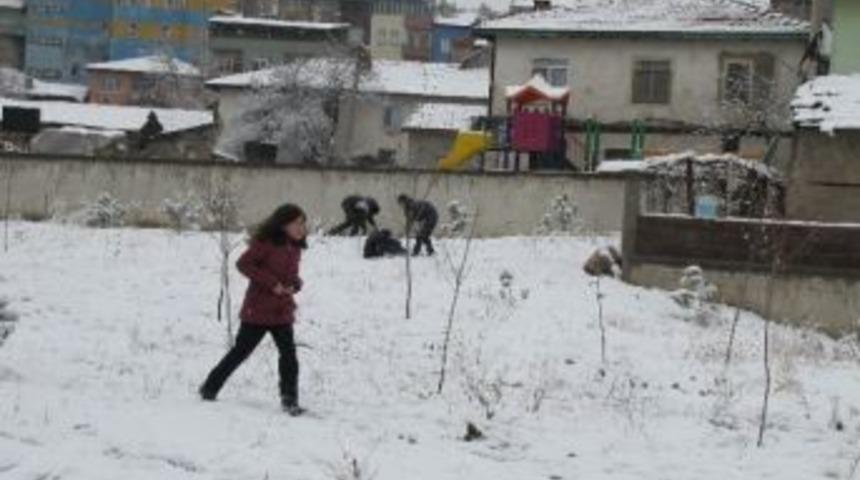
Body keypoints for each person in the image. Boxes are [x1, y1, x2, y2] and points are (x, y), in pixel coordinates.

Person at [200, 203, 308, 416]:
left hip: (282, 311)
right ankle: (209, 387)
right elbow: (243, 264)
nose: (301, 227)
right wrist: (272, 283)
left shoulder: (295, 247)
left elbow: (291, 275)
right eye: (297, 223)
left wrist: (295, 285)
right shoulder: (266, 243)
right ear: (283, 224)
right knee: (241, 352)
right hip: (258, 310)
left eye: (303, 223)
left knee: (289, 355)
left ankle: (290, 400)